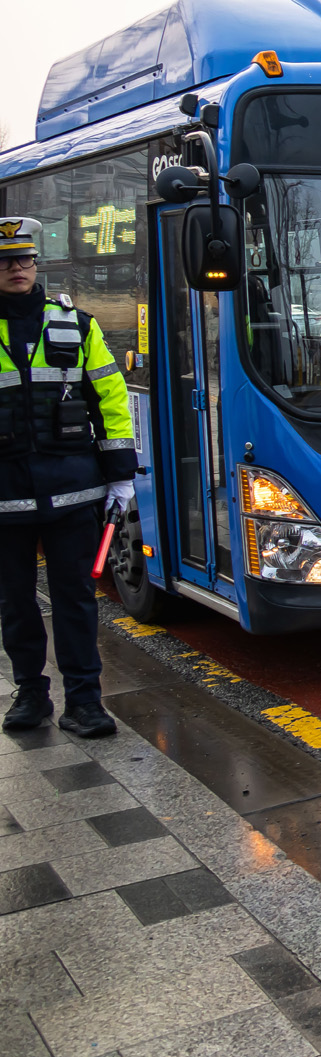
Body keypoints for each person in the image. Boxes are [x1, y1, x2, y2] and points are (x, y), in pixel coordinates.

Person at [0, 219, 137, 737]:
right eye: (6, 261)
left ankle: (84, 701)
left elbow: (111, 397)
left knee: (75, 598)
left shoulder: (78, 325)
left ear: (36, 265)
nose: (17, 268)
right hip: (5, 493)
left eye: (25, 260)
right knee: (15, 601)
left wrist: (121, 475)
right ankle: (30, 694)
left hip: (73, 489)